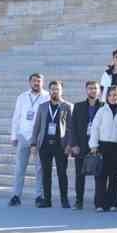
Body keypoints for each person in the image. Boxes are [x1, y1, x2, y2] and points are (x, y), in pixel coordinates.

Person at [29, 79, 72, 208]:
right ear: (49, 91)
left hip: (60, 145)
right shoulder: (42, 106)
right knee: (46, 173)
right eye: (53, 89)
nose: (55, 91)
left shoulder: (67, 106)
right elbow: (36, 126)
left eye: (57, 89)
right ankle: (47, 200)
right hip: (45, 145)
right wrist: (33, 144)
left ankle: (64, 200)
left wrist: (69, 144)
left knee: (62, 173)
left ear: (61, 90)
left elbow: (70, 128)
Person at [8, 74, 47, 207]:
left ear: (43, 82)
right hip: (23, 136)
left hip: (38, 137)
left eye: (39, 81)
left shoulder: (47, 96)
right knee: (20, 168)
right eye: (34, 81)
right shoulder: (22, 97)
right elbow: (16, 117)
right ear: (29, 82)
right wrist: (14, 136)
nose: (36, 83)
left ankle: (39, 196)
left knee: (39, 168)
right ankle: (16, 196)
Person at [66, 79, 102, 209]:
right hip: (81, 145)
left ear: (99, 91)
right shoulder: (79, 106)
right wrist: (73, 144)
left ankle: (98, 202)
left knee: (99, 175)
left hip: (97, 145)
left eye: (95, 88)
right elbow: (72, 127)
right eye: (90, 88)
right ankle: (79, 201)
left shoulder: (103, 106)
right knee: (79, 175)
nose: (93, 90)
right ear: (86, 90)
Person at [89, 85, 117, 212]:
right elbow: (95, 128)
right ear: (107, 97)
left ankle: (112, 203)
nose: (112, 97)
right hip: (103, 146)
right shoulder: (102, 110)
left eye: (115, 95)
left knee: (114, 176)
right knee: (101, 176)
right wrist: (93, 145)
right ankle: (100, 203)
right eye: (110, 95)